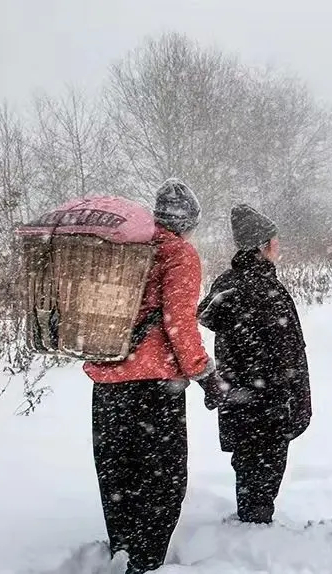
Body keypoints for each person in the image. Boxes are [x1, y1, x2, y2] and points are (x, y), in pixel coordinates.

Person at [82, 178, 226, 574]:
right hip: (153, 386)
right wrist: (204, 374)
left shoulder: (125, 248)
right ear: (189, 221)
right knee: (161, 478)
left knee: (117, 473)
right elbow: (178, 321)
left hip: (107, 381)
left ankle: (123, 551)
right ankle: (147, 561)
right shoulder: (178, 252)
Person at [197, 204, 312, 525]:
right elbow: (284, 352)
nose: (279, 245)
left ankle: (251, 518)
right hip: (268, 399)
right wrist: (291, 394)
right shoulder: (263, 289)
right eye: (274, 240)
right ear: (262, 246)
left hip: (240, 397)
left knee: (248, 464)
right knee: (266, 466)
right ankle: (255, 531)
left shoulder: (228, 283)